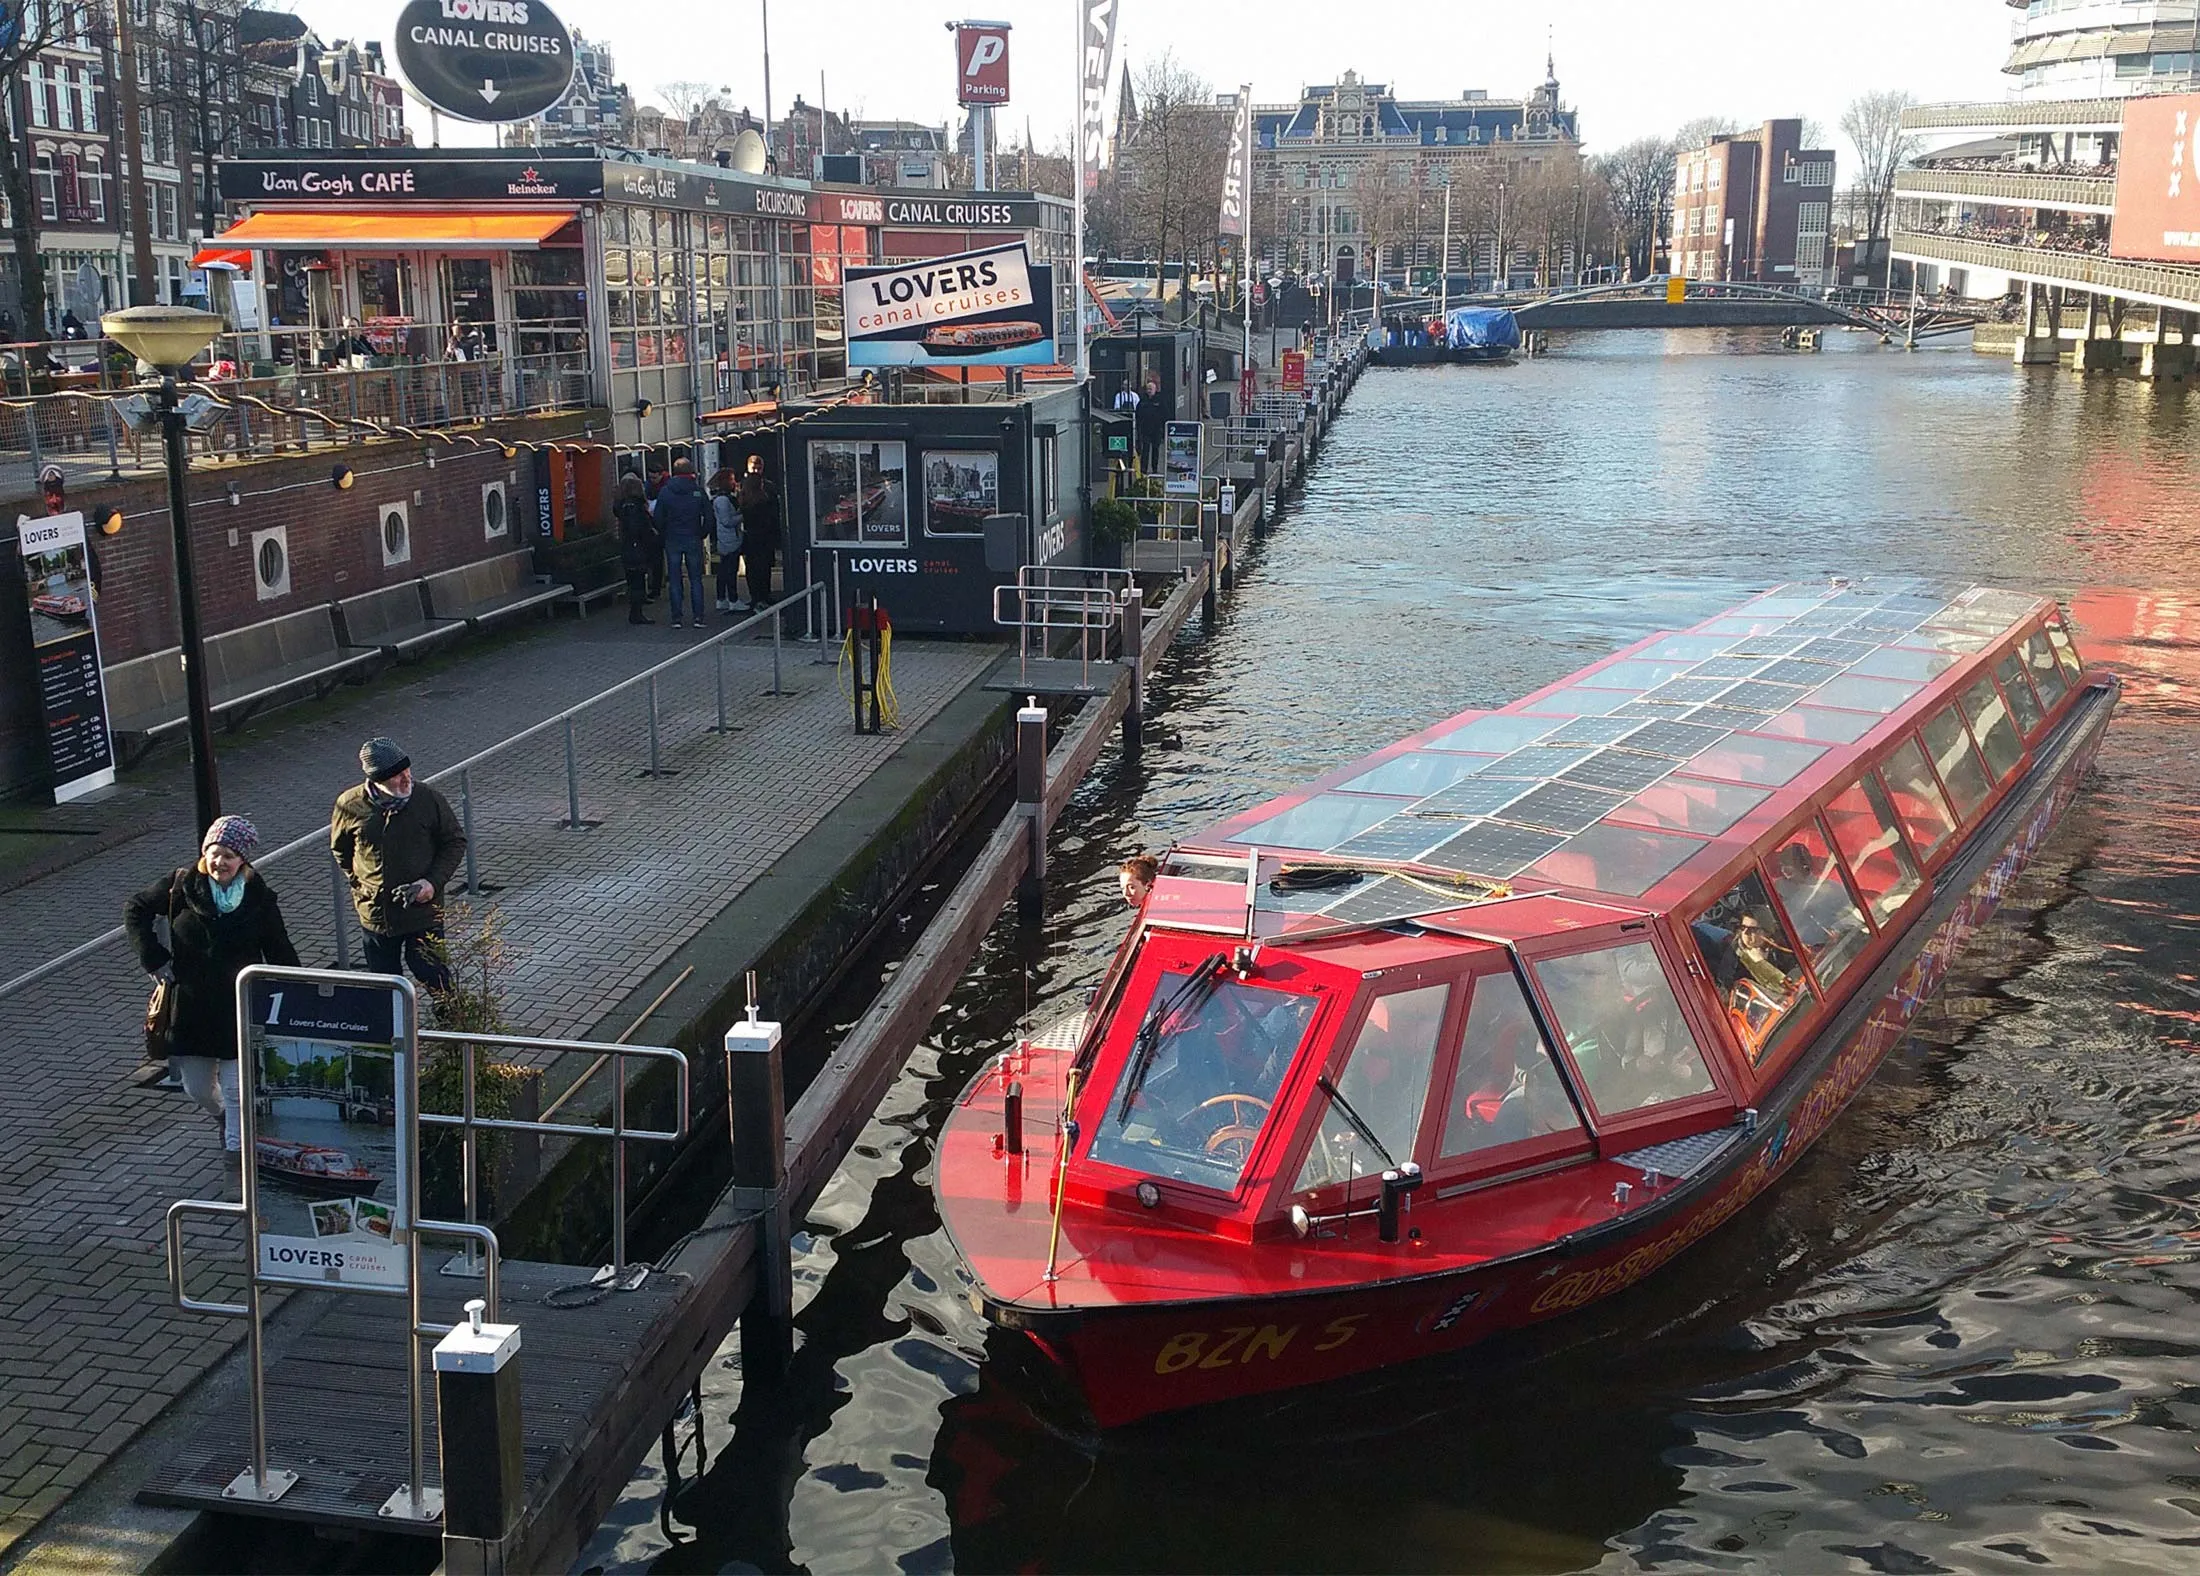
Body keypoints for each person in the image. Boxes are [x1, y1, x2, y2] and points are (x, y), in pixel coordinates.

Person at [124, 815, 298, 1153]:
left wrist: (300, 991)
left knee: (236, 1089)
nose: (220, 862)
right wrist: (153, 957)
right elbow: (136, 909)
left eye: (229, 856)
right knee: (198, 1087)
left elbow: (280, 948)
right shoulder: (181, 886)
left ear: (243, 860)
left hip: (239, 1006)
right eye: (214, 853)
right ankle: (222, 1117)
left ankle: (236, 1157)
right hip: (191, 1008)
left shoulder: (259, 898)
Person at [331, 737, 466, 997]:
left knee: (434, 977)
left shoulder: (428, 799)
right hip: (377, 915)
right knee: (384, 987)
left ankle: (454, 1032)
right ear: (377, 780)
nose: (407, 780)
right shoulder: (350, 805)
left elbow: (454, 842)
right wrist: (361, 884)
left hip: (423, 911)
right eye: (397, 776)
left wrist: (431, 882)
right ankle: (394, 1035)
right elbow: (341, 850)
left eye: (407, 771)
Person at [653, 456, 709, 629]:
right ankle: (698, 617)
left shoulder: (665, 492)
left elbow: (658, 517)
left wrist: (664, 533)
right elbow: (708, 515)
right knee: (696, 579)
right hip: (693, 537)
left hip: (672, 539)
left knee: (675, 580)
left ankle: (676, 618)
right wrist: (702, 533)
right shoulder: (698, 491)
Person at [737, 454, 782, 609]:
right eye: (753, 468)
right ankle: (759, 596)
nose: (756, 471)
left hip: (756, 533)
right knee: (757, 566)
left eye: (758, 468)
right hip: (759, 533)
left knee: (761, 566)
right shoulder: (765, 488)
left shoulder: (744, 488)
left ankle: (760, 595)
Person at [615, 473, 656, 625]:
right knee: (638, 581)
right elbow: (638, 529)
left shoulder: (622, 505)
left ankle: (636, 612)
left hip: (627, 548)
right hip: (636, 548)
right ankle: (636, 614)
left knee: (633, 581)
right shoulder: (635, 507)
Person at [710, 467, 745, 614]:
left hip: (725, 538)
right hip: (730, 538)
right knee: (730, 570)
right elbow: (727, 521)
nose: (734, 482)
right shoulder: (724, 500)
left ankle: (722, 598)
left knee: (724, 571)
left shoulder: (720, 498)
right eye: (731, 479)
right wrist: (743, 516)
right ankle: (733, 599)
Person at [1134, 375, 1167, 474]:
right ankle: (1143, 469)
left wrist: (1163, 428)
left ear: (1155, 389)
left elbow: (1165, 414)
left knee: (1155, 450)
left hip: (1157, 429)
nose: (1149, 390)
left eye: (1151, 389)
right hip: (1145, 429)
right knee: (1145, 450)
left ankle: (1155, 468)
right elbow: (1138, 414)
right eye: (1148, 389)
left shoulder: (1160, 400)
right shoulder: (1142, 401)